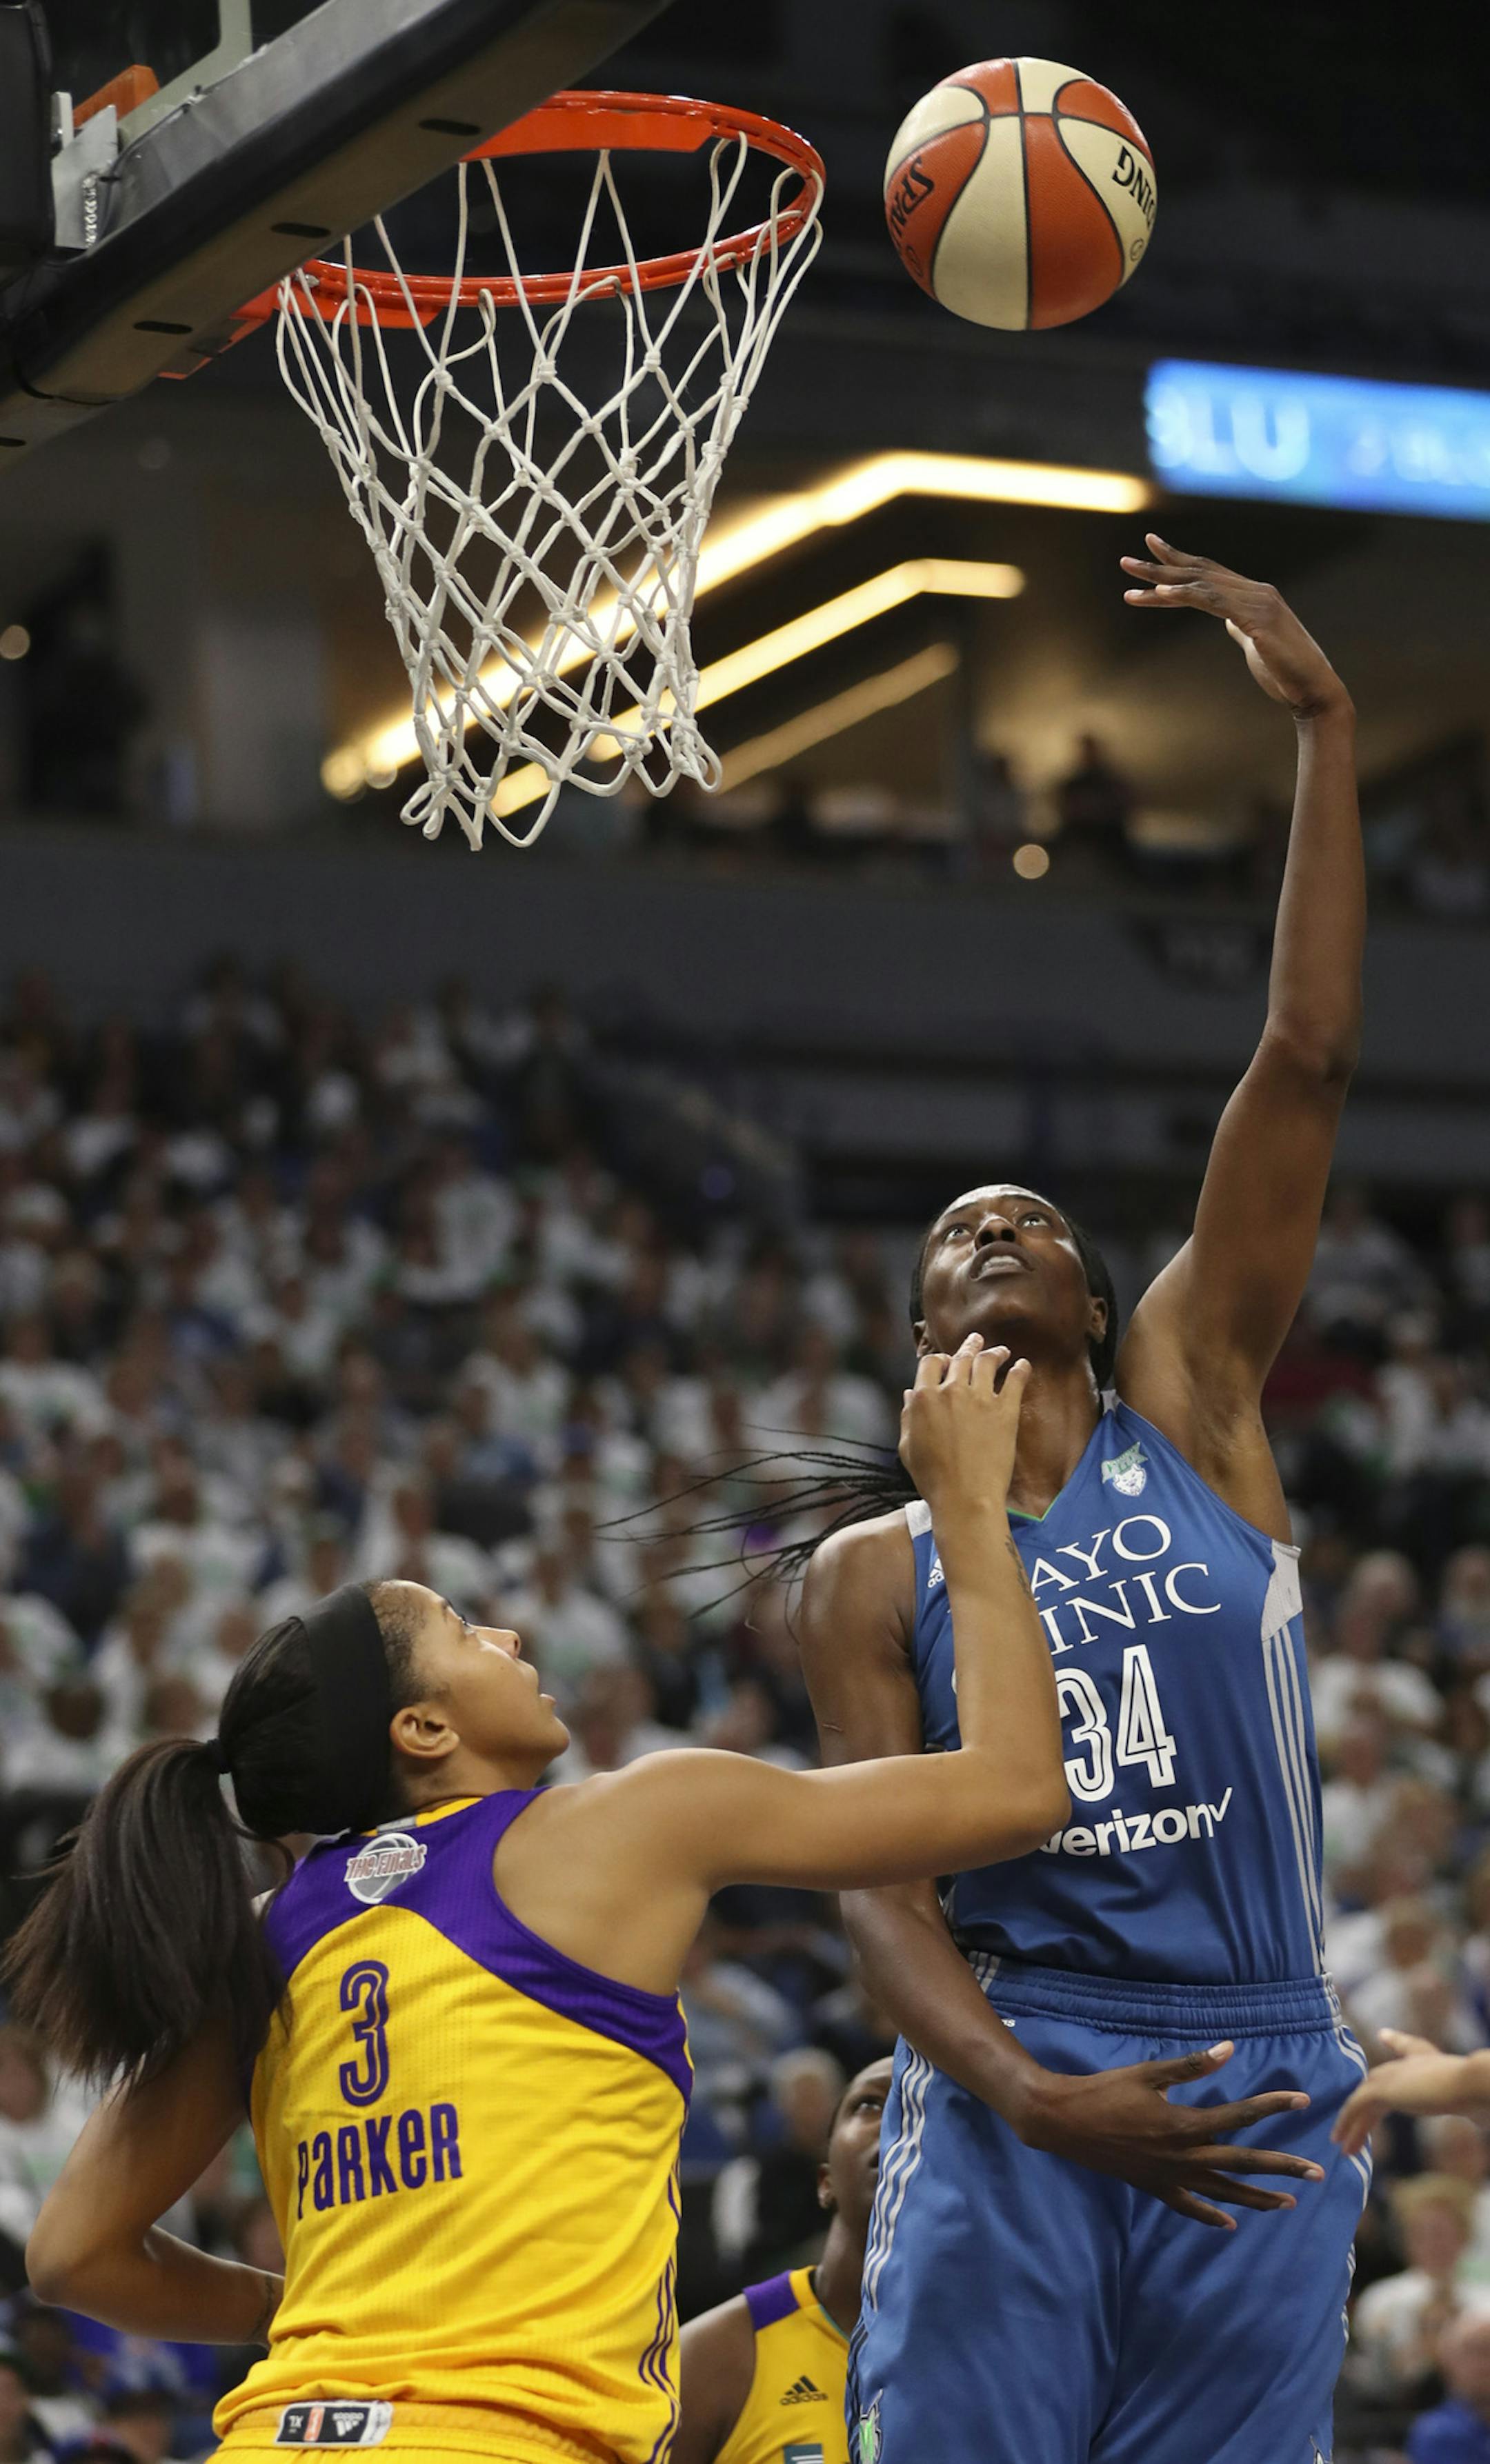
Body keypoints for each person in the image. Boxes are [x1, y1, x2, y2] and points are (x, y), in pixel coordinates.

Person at [8, 1340, 1068, 2464]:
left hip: (282, 2432)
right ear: (423, 1731)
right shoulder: (624, 1823)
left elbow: (74, 2252)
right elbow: (1016, 1789)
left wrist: (326, 2315)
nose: (508, 1636)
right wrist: (965, 1513)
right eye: (465, 1631)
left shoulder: (270, 1937)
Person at [799, 541, 1367, 2464]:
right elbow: (879, 1888)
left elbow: (1302, 1054)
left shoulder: (1195, 1407)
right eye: (961, 1232)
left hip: (1262, 2047)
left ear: (1102, 1301)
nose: (997, 1226)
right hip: (1020, 2054)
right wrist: (1019, 2093)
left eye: (1030, 1218)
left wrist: (1321, 726)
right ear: (914, 1322)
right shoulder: (869, 1573)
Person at [673, 2058, 891, 2464]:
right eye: (870, 2105)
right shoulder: (714, 2359)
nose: (902, 2120)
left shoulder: (1024, 2354)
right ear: (826, 2182)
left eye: (933, 2105)